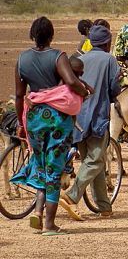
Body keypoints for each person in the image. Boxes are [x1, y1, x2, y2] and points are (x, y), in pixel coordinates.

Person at [11, 17, 90, 235]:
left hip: (34, 117)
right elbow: (72, 81)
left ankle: (37, 212)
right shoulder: (58, 56)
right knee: (54, 168)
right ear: (52, 36)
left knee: (40, 164)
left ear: (31, 35)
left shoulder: (22, 59)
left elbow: (19, 95)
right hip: (57, 118)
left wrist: (21, 122)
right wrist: (85, 93)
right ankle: (49, 224)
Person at [60, 25, 121, 220]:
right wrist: (112, 96)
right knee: (95, 162)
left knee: (94, 162)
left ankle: (104, 206)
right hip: (97, 117)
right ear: (107, 43)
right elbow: (114, 87)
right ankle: (72, 196)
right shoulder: (110, 60)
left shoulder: (81, 59)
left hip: (78, 117)